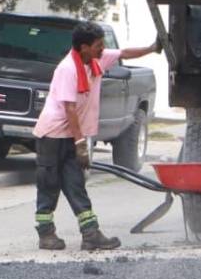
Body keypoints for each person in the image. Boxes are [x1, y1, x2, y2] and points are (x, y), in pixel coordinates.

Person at [33, 23, 160, 251]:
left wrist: (153, 48)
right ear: (84, 47)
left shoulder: (95, 60)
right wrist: (81, 143)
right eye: (99, 45)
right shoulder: (67, 69)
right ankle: (46, 234)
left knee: (75, 184)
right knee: (49, 183)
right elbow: (70, 108)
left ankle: (90, 234)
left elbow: (125, 53)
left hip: (72, 135)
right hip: (52, 135)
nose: (103, 49)